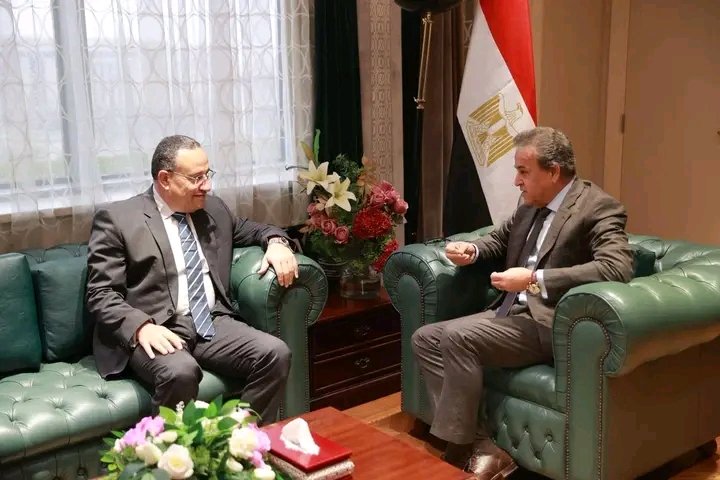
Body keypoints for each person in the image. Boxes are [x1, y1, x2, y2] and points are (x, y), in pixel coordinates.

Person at [411, 127, 633, 478]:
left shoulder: (598, 207)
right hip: (510, 312)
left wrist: (533, 279)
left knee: (457, 337)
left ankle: (459, 450)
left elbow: (616, 267)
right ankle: (481, 445)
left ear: (554, 171)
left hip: (550, 322)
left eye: (523, 171)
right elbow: (500, 239)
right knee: (425, 338)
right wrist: (472, 250)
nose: (516, 181)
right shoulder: (530, 204)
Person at [86, 134, 299, 424]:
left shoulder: (213, 210)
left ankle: (239, 440)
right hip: (158, 326)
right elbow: (101, 293)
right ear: (165, 179)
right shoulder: (118, 219)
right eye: (196, 178)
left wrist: (277, 243)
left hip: (212, 321)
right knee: (180, 372)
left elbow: (256, 229)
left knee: (275, 354)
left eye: (208, 174)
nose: (207, 185)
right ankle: (167, 451)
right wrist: (140, 328)